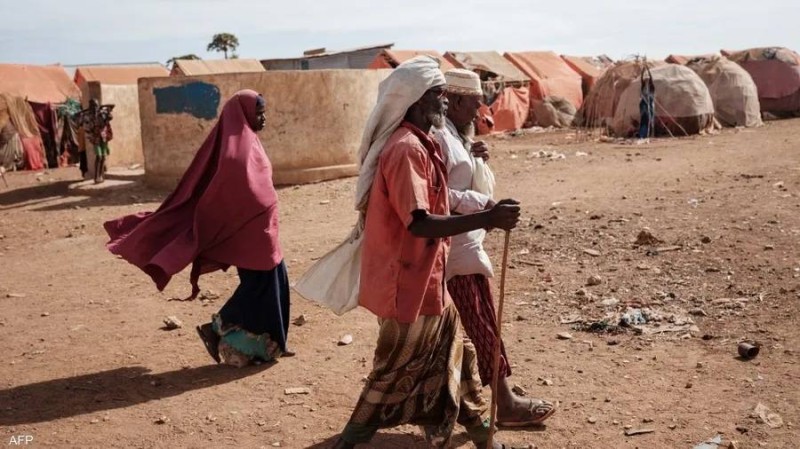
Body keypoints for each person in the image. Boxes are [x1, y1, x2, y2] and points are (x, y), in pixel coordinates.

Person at [332, 56, 526, 449]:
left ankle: (482, 436)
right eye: (439, 95)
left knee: (460, 357)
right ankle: (350, 439)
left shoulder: (424, 144)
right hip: (406, 282)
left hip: (426, 278)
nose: (444, 103)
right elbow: (419, 222)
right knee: (391, 370)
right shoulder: (406, 150)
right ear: (419, 99)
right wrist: (486, 217)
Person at [103, 90, 291, 367]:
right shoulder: (234, 150)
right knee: (259, 285)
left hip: (263, 231)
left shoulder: (250, 141)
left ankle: (274, 344)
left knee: (277, 281)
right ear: (244, 113)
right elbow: (230, 192)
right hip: (249, 233)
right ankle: (218, 327)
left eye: (264, 112)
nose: (263, 118)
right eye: (259, 112)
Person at [434, 69, 557, 427]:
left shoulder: (456, 134)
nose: (479, 111)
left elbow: (458, 174)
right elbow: (440, 194)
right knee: (480, 328)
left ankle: (504, 397)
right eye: (473, 103)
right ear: (455, 101)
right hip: (453, 246)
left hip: (469, 244)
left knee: (486, 322)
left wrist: (476, 156)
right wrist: (486, 208)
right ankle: (503, 403)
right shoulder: (439, 138)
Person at [75, 99, 114, 183]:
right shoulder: (87, 115)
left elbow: (110, 116)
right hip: (95, 138)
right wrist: (79, 115)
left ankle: (100, 175)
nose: (95, 108)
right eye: (93, 106)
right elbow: (79, 122)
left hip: (103, 137)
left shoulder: (102, 113)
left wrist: (106, 109)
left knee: (103, 156)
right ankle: (96, 176)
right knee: (99, 156)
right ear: (90, 107)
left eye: (96, 106)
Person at [638, 66, 655, 139]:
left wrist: (648, 70)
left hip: (649, 103)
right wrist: (642, 71)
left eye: (648, 80)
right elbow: (642, 95)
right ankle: (642, 134)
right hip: (643, 104)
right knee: (644, 119)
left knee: (650, 119)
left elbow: (651, 96)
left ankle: (650, 133)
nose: (646, 81)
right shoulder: (643, 86)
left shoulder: (651, 87)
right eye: (645, 80)